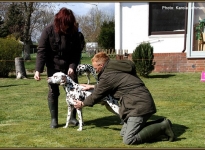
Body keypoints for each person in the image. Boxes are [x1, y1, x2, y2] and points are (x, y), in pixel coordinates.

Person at [74, 52, 175, 145]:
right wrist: (92, 86)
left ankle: (163, 126)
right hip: (137, 101)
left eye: (95, 68)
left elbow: (97, 95)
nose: (94, 70)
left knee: (129, 139)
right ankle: (160, 126)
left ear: (101, 65)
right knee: (123, 133)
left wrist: (82, 104)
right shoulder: (115, 68)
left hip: (139, 105)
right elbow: (114, 84)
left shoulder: (108, 74)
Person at [34, 7, 81, 128]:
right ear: (59, 22)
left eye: (69, 24)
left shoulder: (74, 32)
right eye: (65, 24)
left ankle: (73, 118)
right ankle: (54, 120)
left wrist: (72, 66)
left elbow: (77, 52)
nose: (67, 27)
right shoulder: (48, 30)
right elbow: (42, 51)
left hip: (69, 66)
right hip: (53, 66)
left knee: (74, 92)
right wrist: (38, 70)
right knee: (53, 92)